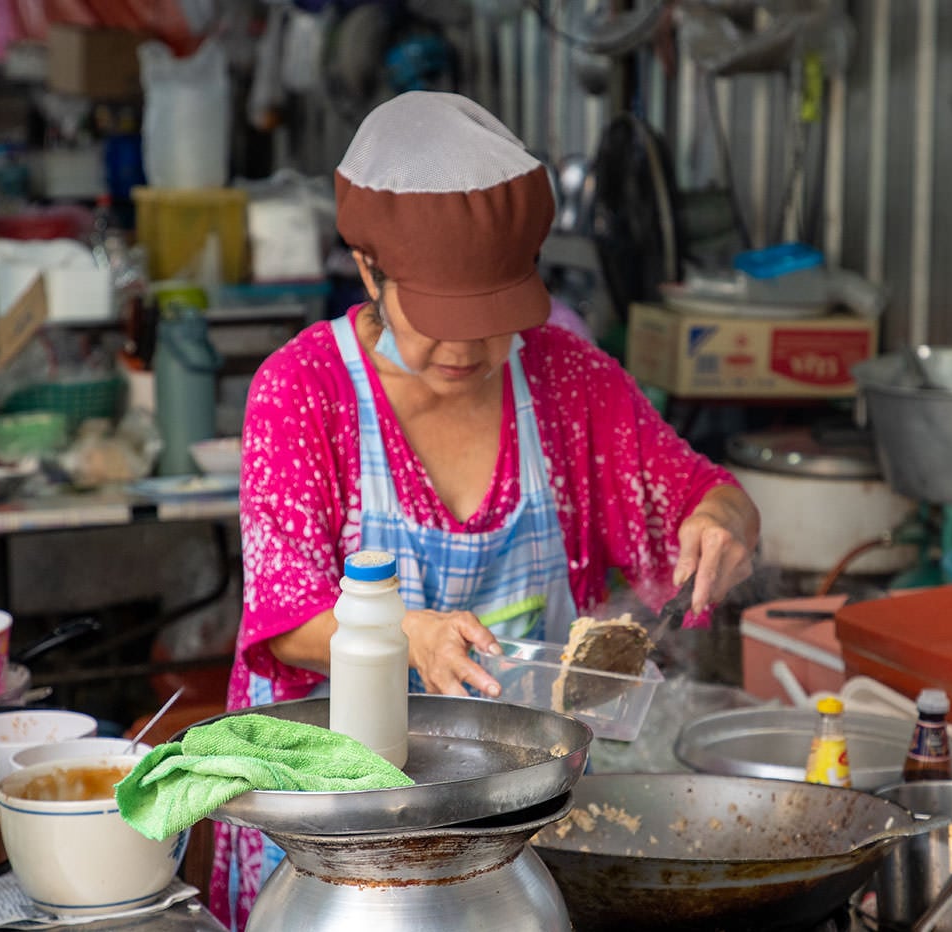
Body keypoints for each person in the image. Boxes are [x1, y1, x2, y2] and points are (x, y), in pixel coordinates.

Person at [212, 91, 760, 930]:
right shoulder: (303, 393)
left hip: (518, 826)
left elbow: (699, 493)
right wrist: (407, 634)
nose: (466, 349)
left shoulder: (567, 379)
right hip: (329, 839)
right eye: (437, 318)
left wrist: (724, 521)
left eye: (494, 317)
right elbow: (285, 618)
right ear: (368, 269)